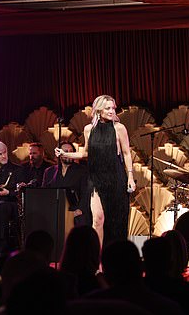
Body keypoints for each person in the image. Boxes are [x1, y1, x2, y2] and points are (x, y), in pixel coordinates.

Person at [54, 95, 135, 247]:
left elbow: (126, 154)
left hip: (116, 177)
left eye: (113, 108)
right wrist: (65, 154)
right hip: (96, 178)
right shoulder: (89, 130)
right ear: (98, 110)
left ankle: (114, 258)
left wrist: (130, 176)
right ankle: (95, 261)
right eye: (108, 108)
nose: (112, 111)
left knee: (115, 221)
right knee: (97, 219)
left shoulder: (119, 128)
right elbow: (85, 153)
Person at [43, 141, 91, 227]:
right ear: (59, 153)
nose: (68, 153)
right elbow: (45, 194)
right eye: (65, 151)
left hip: (75, 212)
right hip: (55, 212)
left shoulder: (82, 170)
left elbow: (86, 194)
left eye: (71, 151)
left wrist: (79, 209)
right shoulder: (49, 171)